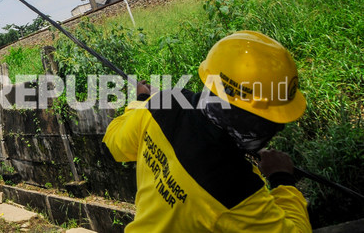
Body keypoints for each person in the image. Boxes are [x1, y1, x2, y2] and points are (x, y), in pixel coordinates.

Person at [103, 30, 310, 231]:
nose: (277, 127)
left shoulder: (166, 102)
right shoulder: (236, 192)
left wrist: (142, 101)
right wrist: (282, 179)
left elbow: (115, 145)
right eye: (271, 120)